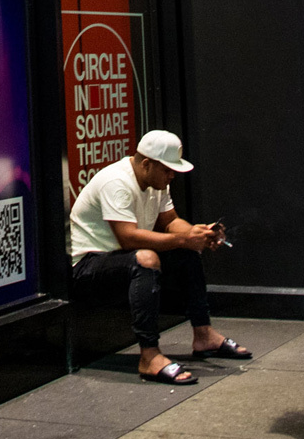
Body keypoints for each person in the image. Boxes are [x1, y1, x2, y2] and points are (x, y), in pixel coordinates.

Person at [67, 130, 251, 384]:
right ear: (146, 164)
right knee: (146, 258)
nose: (172, 175)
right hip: (87, 267)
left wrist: (197, 234)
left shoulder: (156, 182)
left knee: (184, 251)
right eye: (168, 170)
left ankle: (203, 335)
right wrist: (184, 238)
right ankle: (149, 356)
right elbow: (128, 238)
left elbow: (170, 221)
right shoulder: (116, 182)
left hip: (122, 258)